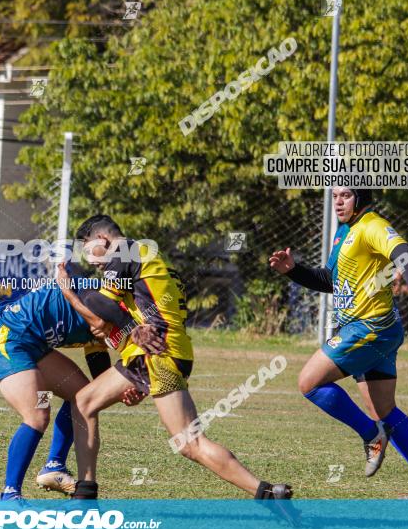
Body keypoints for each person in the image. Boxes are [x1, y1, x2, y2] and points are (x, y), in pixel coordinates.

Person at [57, 214, 293, 501]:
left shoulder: (127, 250)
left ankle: (266, 492)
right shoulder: (150, 260)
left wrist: (71, 293)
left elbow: (98, 302)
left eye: (87, 246)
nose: (88, 256)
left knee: (189, 443)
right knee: (84, 401)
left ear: (103, 240)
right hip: (159, 354)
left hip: (158, 355)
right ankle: (84, 492)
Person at [269, 187, 408, 499]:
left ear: (362, 198)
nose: (338, 201)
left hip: (370, 327)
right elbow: (329, 279)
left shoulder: (372, 226)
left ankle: (371, 435)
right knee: (383, 409)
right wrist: (293, 271)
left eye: (346, 195)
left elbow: (406, 255)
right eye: (335, 195)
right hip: (375, 329)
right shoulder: (344, 232)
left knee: (308, 383)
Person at [0, 274, 156, 504]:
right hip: (7, 338)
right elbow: (99, 321)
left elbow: (98, 359)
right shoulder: (107, 299)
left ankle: (54, 467)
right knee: (37, 415)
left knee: (83, 395)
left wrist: (118, 392)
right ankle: (9, 496)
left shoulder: (122, 310)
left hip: (35, 346)